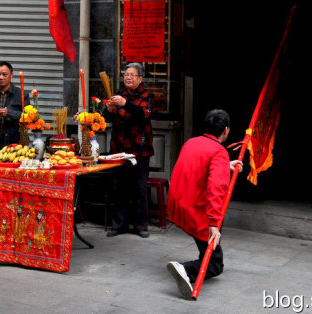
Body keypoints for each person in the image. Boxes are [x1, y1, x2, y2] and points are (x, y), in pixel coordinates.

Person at [166, 109, 242, 299]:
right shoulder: (219, 151)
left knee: (206, 250)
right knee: (215, 264)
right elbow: (216, 189)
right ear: (225, 130)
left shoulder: (192, 142)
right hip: (197, 210)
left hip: (179, 202)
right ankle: (185, 269)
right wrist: (214, 224)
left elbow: (198, 167)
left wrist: (225, 165)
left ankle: (199, 263)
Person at [103, 63, 154, 238]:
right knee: (119, 188)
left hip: (140, 149)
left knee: (139, 187)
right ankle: (119, 224)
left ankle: (141, 226)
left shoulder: (147, 95)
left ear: (140, 78)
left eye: (132, 75)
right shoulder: (118, 94)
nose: (128, 78)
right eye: (126, 74)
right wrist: (108, 110)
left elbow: (143, 115)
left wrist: (126, 104)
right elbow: (107, 119)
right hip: (118, 148)